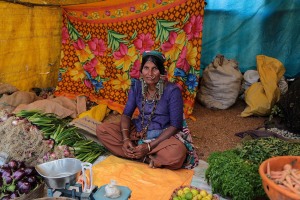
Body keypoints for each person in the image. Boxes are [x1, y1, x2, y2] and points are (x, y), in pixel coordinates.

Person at [96, 50, 198, 170]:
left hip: (162, 138)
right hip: (138, 133)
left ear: (161, 72)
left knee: (176, 154)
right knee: (102, 130)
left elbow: (175, 126)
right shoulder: (137, 87)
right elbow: (126, 115)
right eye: (146, 68)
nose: (150, 73)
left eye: (154, 69)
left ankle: (140, 154)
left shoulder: (172, 91)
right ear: (141, 71)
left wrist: (149, 147)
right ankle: (146, 158)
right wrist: (126, 139)